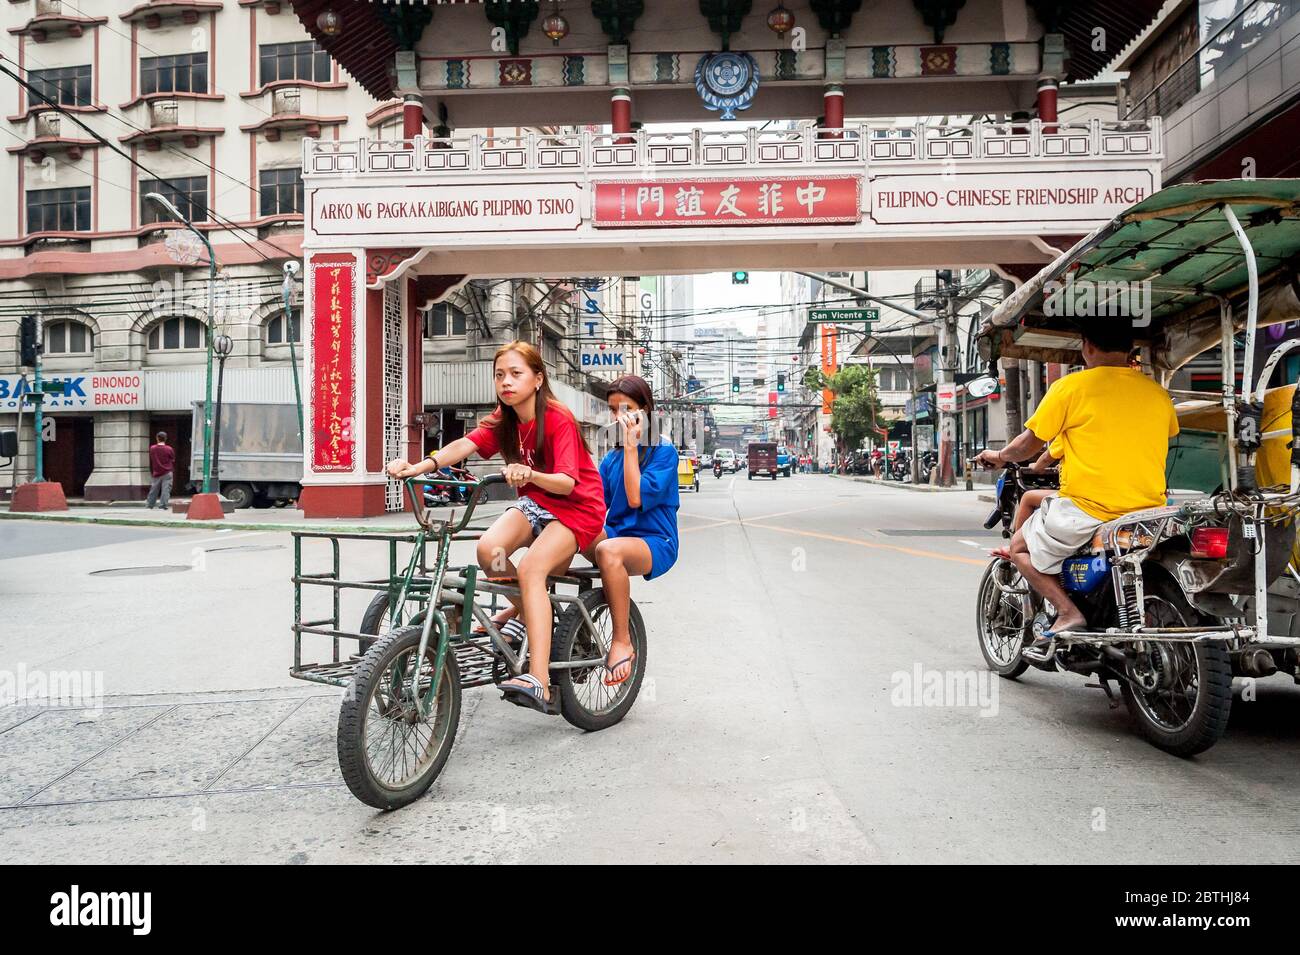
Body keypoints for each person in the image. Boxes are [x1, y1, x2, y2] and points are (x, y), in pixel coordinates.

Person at [386, 341, 606, 714]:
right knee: (491, 550)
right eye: (499, 375)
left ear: (538, 379)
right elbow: (464, 445)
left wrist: (531, 473)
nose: (506, 382)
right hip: (536, 503)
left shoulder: (557, 417)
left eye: (516, 374)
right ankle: (529, 613)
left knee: (534, 568)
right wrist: (417, 467)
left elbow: (568, 483)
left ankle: (539, 678)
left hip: (576, 508)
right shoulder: (503, 420)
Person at [976, 320, 1178, 639]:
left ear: (1087, 346)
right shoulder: (1158, 394)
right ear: (1130, 350)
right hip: (1148, 511)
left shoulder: (1070, 388)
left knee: (1018, 548)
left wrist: (998, 456)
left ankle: (1068, 611)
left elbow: (1028, 446)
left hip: (1090, 510)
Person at [578, 375, 679, 686]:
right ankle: (523, 616)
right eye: (613, 410)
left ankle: (622, 640)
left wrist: (633, 446)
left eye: (627, 408)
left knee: (608, 550)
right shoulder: (611, 459)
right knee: (566, 529)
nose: (618, 417)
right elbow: (591, 503)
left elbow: (635, 497)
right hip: (616, 536)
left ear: (645, 411)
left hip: (654, 542)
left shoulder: (664, 453)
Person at [146, 431, 175, 509]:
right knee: (166, 490)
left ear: (157, 438)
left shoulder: (152, 448)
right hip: (167, 472)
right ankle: (163, 505)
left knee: (154, 489)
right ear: (165, 439)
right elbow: (172, 459)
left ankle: (150, 505)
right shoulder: (169, 449)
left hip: (157, 472)